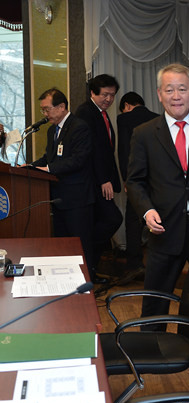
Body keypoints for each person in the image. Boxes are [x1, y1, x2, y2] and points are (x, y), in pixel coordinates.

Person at [126, 64, 189, 387]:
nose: (176, 95)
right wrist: (146, 211)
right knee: (155, 304)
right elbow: (135, 182)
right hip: (164, 232)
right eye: (169, 89)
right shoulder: (144, 133)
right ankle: (145, 375)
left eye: (182, 89)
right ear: (159, 94)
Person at [30, 88, 95, 269]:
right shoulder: (52, 130)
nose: (45, 114)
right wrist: (30, 167)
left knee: (80, 246)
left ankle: (86, 282)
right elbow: (48, 158)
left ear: (61, 107)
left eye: (47, 109)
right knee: (62, 246)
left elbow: (78, 160)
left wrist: (48, 169)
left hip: (77, 199)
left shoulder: (79, 127)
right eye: (43, 110)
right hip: (58, 198)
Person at [75, 74, 123, 283]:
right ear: (93, 93)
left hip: (102, 179)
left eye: (112, 95)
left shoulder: (101, 113)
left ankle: (91, 270)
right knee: (113, 219)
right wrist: (104, 179)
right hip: (94, 182)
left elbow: (107, 149)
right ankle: (86, 254)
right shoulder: (86, 112)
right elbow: (92, 150)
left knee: (104, 221)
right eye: (104, 94)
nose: (109, 99)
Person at [117, 91, 159, 274]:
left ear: (127, 105)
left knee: (134, 220)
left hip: (137, 177)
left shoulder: (124, 119)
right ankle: (156, 261)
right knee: (157, 218)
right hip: (157, 178)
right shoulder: (158, 118)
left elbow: (124, 151)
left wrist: (127, 178)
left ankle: (134, 263)